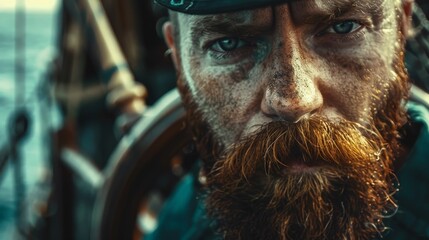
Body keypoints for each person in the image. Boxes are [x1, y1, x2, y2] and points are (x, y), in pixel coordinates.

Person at [146, 0, 429, 239]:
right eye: (228, 44)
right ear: (179, 59)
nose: (294, 101)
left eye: (343, 27)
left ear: (400, 28)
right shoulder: (183, 221)